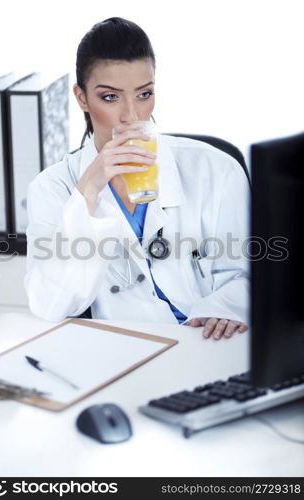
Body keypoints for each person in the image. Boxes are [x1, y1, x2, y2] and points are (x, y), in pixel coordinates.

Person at [25, 17, 249, 341]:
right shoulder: (53, 188)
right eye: (111, 97)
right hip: (126, 350)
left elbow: (251, 274)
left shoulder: (215, 168)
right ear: (82, 98)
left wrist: (225, 308)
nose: (131, 115)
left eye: (144, 94)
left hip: (208, 342)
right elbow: (51, 304)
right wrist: (87, 191)